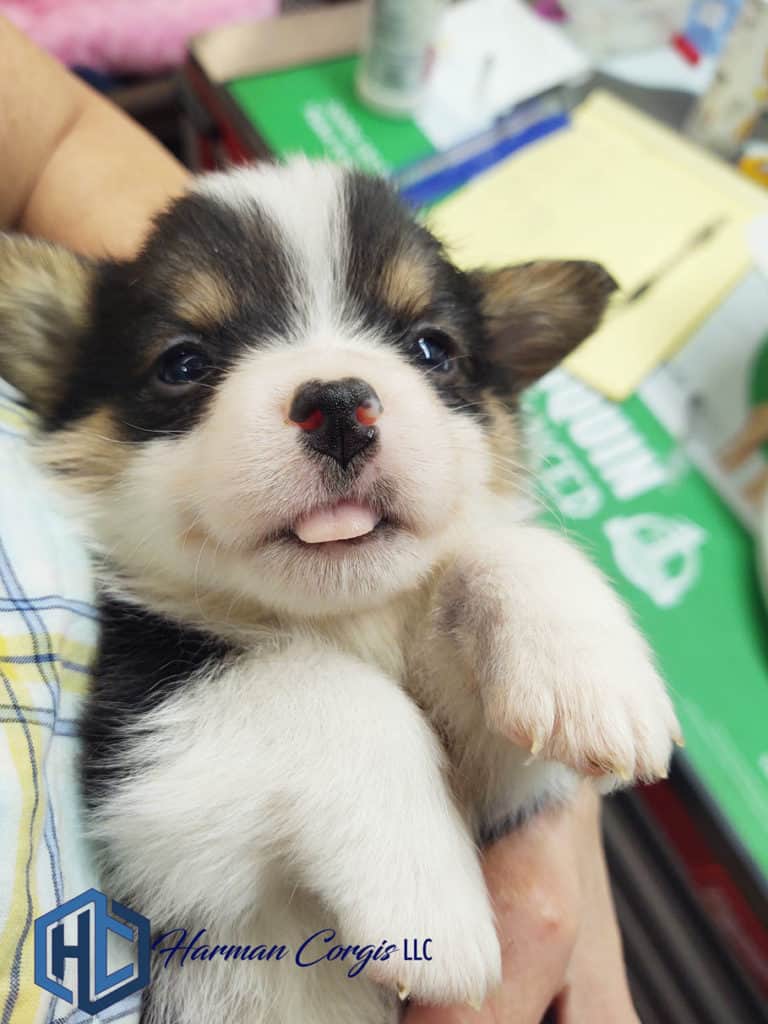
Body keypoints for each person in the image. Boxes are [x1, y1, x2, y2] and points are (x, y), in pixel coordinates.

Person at [0, 17, 639, 1023]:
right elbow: (159, 823)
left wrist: (529, 601)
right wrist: (344, 744)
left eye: (429, 351)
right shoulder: (139, 661)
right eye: (186, 363)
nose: (339, 401)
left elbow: (54, 136)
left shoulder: (472, 565)